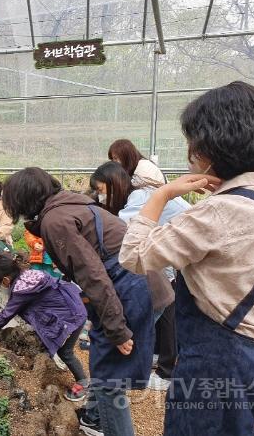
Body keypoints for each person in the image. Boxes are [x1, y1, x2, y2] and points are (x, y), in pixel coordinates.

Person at [119, 81, 254, 436]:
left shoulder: (220, 211)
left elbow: (134, 256)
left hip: (225, 371)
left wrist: (160, 193)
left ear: (210, 146)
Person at [2, 167, 154, 436]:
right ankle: (95, 418)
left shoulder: (55, 221)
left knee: (109, 381)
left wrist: (116, 329)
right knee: (104, 368)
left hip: (128, 290)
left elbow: (95, 276)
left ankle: (107, 424)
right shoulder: (70, 203)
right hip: (139, 284)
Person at [90, 160, 191, 391]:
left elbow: (126, 235)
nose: (99, 195)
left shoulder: (138, 198)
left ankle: (162, 372)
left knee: (163, 317)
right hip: (165, 264)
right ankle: (158, 363)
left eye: (100, 189)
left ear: (113, 183)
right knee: (163, 313)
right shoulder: (135, 197)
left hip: (173, 261)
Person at [0, 253, 88, 402]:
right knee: (56, 346)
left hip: (71, 316)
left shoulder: (20, 290)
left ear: (6, 280)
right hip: (71, 305)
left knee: (65, 352)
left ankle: (83, 383)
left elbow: (6, 314)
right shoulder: (28, 274)